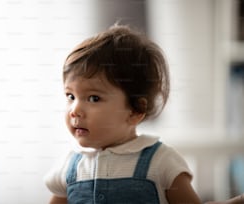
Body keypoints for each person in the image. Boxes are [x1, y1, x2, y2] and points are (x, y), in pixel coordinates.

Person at [44, 24, 202, 204]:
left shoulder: (161, 162)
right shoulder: (69, 167)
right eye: (70, 96)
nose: (75, 110)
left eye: (94, 98)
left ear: (135, 110)